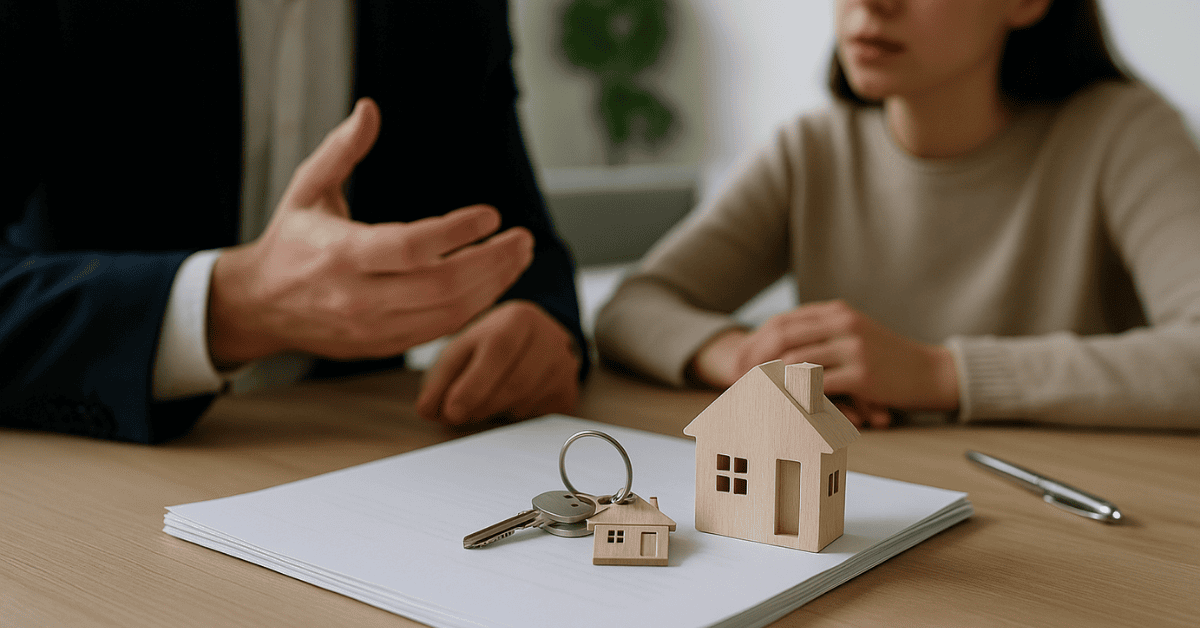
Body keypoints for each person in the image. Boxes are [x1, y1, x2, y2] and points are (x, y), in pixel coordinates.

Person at [0, 1, 587, 444]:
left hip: (358, 458)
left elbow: (521, 242)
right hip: (82, 466)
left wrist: (539, 325)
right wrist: (223, 307)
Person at [595, 0, 1200, 429]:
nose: (871, 4)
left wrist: (939, 375)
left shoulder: (1125, 134)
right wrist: (744, 359)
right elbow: (632, 307)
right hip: (871, 509)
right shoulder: (810, 150)